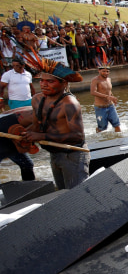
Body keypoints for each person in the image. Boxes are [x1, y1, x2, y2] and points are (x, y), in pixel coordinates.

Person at [21, 54, 89, 190]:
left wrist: (41, 137)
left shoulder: (69, 103)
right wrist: (26, 135)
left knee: (77, 196)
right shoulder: (37, 99)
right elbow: (36, 126)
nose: (43, 84)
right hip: (54, 154)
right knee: (62, 194)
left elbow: (77, 137)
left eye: (50, 81)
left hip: (73, 155)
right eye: (41, 80)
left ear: (64, 83)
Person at [0, 106, 36, 181]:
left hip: (9, 130)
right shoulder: (40, 113)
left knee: (26, 165)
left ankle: (30, 188)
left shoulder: (35, 108)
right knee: (26, 164)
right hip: (5, 134)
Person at [90, 66, 121, 132]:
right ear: (99, 71)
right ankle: (98, 137)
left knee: (117, 125)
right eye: (103, 71)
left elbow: (109, 91)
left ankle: (120, 141)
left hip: (110, 106)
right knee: (102, 128)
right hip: (100, 108)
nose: (106, 73)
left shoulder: (109, 79)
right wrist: (107, 97)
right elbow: (93, 92)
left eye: (107, 71)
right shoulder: (95, 80)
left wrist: (113, 98)